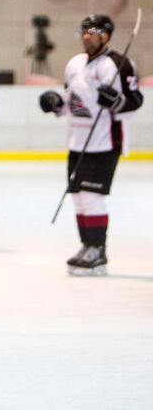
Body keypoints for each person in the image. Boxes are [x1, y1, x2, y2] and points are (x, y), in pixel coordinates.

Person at [38, 15, 143, 276]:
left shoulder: (118, 64)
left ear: (106, 35)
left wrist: (116, 102)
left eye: (92, 31)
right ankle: (87, 245)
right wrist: (56, 103)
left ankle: (98, 251)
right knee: (78, 199)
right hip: (78, 142)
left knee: (92, 198)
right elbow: (72, 98)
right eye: (83, 31)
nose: (86, 36)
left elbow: (135, 99)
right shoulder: (75, 64)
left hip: (105, 142)